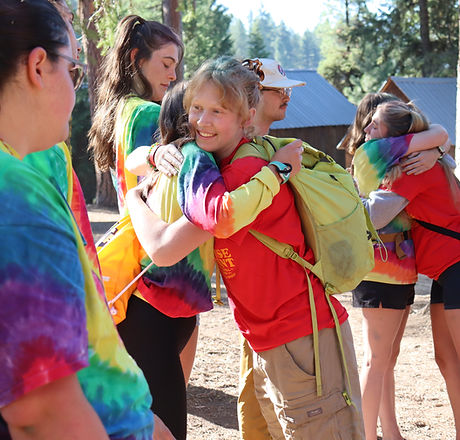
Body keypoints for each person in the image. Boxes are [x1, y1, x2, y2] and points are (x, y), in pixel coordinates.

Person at [128, 56, 365, 439]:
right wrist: (152, 155)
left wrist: (133, 199)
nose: (202, 122)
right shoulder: (222, 166)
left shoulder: (242, 173)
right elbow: (135, 159)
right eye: (197, 109)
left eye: (217, 111)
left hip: (301, 339)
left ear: (246, 116)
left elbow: (171, 244)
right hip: (274, 339)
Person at [0, 0, 173, 439]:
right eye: (74, 72)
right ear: (38, 66)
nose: (76, 92)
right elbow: (42, 411)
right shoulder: (17, 199)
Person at [119, 72, 303, 438]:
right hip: (155, 315)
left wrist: (147, 162)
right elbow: (177, 241)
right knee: (166, 427)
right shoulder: (195, 163)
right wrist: (277, 171)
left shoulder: (167, 161)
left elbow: (134, 160)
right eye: (201, 110)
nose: (209, 119)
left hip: (164, 313)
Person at [353, 100, 460, 440]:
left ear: (397, 139)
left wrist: (343, 198)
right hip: (444, 272)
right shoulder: (432, 160)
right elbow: (443, 139)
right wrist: (438, 148)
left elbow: (375, 216)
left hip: (454, 266)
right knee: (447, 359)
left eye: (376, 127)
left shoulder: (411, 168)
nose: (367, 131)